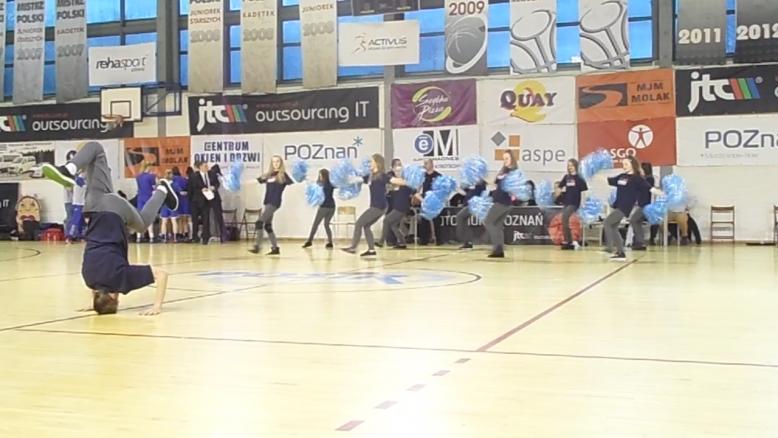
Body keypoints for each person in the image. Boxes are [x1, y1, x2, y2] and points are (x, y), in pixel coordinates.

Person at [40, 141, 176, 315]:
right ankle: (71, 167)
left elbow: (162, 274)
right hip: (93, 206)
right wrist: (94, 302)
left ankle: (162, 190)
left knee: (142, 224)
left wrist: (156, 307)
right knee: (96, 149)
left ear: (114, 297)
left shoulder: (121, 280)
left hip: (115, 209)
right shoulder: (89, 279)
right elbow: (96, 285)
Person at [604, 157, 663, 261]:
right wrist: (596, 175)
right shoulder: (621, 176)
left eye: (626, 164)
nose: (624, 166)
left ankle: (609, 248)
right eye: (623, 164)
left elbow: (650, 189)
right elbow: (609, 180)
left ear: (632, 165)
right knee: (613, 226)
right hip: (618, 205)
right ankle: (620, 253)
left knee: (608, 222)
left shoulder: (637, 178)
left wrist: (664, 195)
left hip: (625, 206)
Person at [342, 154, 389, 257]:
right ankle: (371, 250)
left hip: (379, 206)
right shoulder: (371, 176)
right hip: (377, 206)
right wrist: (344, 178)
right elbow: (356, 179)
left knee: (359, 223)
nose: (370, 163)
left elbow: (391, 181)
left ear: (377, 163)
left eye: (372, 161)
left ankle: (353, 247)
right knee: (366, 226)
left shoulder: (382, 175)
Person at [250, 155, 293, 255]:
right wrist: (240, 183)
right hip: (267, 201)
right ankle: (275, 248)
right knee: (268, 226)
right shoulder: (268, 175)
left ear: (281, 163)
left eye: (278, 161)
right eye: (274, 162)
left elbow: (293, 181)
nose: (276, 163)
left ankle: (257, 246)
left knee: (259, 223)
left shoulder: (283, 175)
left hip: (275, 202)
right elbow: (256, 181)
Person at [484, 152, 518, 258]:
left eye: (507, 158)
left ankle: (497, 248)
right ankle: (499, 250)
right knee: (497, 225)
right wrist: (484, 177)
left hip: (504, 202)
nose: (505, 160)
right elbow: (494, 184)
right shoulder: (503, 171)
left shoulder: (513, 172)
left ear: (512, 158)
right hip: (500, 200)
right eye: (504, 158)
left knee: (488, 221)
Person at [376, 162, 415, 250]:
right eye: (396, 171)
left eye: (399, 171)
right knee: (393, 225)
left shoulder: (405, 182)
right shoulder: (397, 181)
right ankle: (402, 242)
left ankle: (381, 241)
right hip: (399, 206)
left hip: (401, 207)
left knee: (386, 220)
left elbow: (413, 191)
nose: (397, 173)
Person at [556, 159, 588, 250]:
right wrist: (558, 192)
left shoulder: (579, 179)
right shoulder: (566, 177)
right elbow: (560, 186)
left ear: (575, 166)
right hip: (567, 202)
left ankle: (568, 241)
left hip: (574, 203)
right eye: (568, 165)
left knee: (565, 218)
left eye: (571, 165)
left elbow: (584, 192)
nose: (570, 167)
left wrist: (583, 204)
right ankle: (568, 240)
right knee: (564, 220)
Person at [303, 168, 335, 249]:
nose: (320, 176)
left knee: (316, 224)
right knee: (326, 225)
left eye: (321, 175)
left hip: (324, 207)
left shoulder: (321, 184)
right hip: (332, 206)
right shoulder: (331, 184)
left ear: (324, 175)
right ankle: (330, 242)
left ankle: (309, 241)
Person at [629, 162, 655, 251]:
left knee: (633, 220)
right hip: (642, 204)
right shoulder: (646, 179)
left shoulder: (649, 179)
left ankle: (639, 241)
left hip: (645, 205)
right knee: (637, 222)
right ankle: (638, 241)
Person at [456, 177, 487, 249]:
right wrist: (457, 188)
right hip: (468, 204)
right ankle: (467, 241)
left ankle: (467, 241)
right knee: (461, 218)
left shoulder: (480, 182)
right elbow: (465, 193)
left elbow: (482, 192)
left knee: (460, 217)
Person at [417, 159, 442, 245]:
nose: (425, 165)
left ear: (431, 164)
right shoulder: (423, 176)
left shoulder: (438, 176)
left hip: (435, 200)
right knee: (424, 220)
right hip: (425, 200)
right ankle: (424, 240)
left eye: (426, 163)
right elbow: (418, 188)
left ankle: (439, 240)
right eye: (424, 163)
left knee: (436, 220)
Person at [189, 161, 214, 245]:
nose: (206, 167)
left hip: (206, 200)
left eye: (207, 166)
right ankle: (195, 237)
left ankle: (205, 238)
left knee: (206, 220)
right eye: (205, 166)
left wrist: (213, 187)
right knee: (195, 220)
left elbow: (216, 183)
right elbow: (191, 188)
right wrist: (201, 190)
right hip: (196, 201)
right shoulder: (194, 176)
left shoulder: (210, 175)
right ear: (200, 167)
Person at [135, 163, 158, 243]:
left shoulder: (138, 177)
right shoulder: (151, 176)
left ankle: (138, 237)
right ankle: (151, 237)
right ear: (148, 167)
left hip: (140, 198)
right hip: (148, 198)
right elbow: (155, 187)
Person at [159, 169, 180, 243]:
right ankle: (175, 238)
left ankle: (164, 238)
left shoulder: (162, 185)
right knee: (174, 221)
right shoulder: (175, 184)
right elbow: (179, 191)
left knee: (164, 222)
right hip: (173, 205)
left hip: (164, 205)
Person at [65, 173, 87, 243]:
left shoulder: (85, 180)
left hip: (84, 204)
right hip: (78, 204)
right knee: (75, 221)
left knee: (83, 222)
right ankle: (69, 237)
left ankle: (81, 236)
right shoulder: (78, 180)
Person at [209, 164, 227, 243]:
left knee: (213, 218)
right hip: (218, 199)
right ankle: (222, 235)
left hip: (214, 199)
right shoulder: (221, 178)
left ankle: (215, 235)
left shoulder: (215, 177)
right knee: (219, 218)